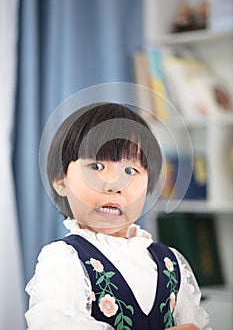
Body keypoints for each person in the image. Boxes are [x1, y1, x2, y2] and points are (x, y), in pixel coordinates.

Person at [25, 102, 211, 330]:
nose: (114, 184)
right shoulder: (64, 259)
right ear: (61, 181)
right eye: (96, 166)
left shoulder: (171, 262)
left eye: (130, 171)